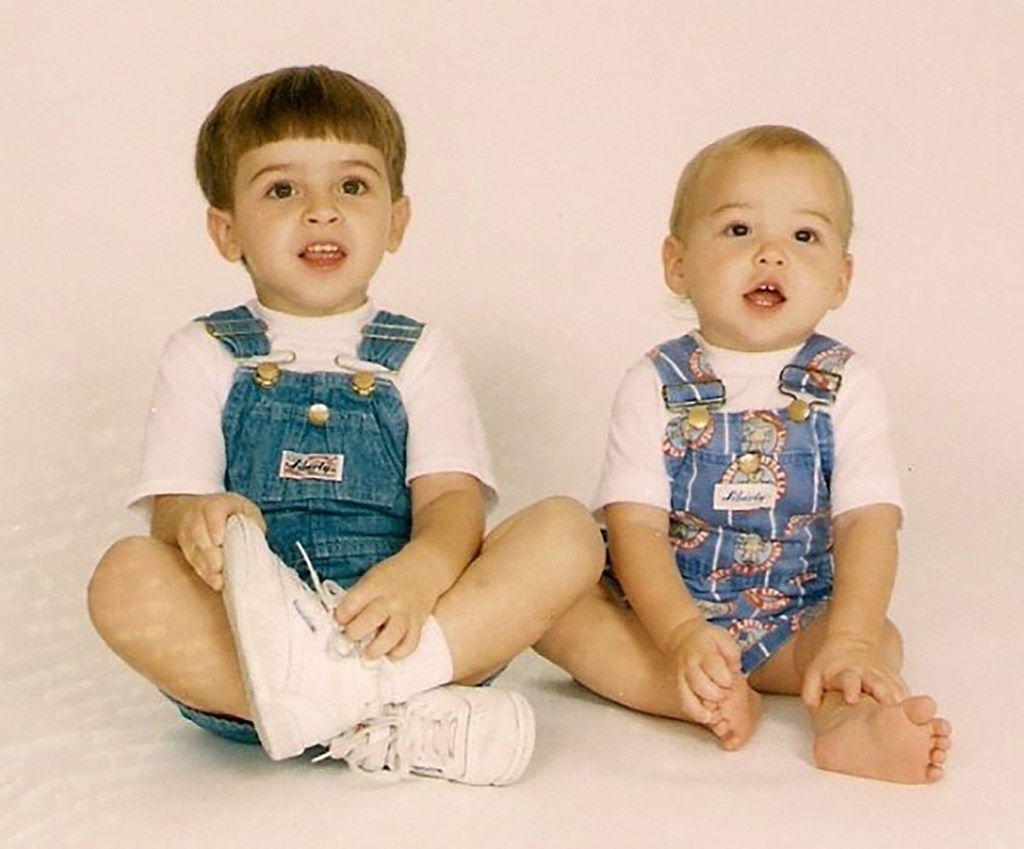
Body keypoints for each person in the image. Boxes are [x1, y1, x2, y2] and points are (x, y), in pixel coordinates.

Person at [87, 65, 603, 785]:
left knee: (567, 530)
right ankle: (389, 719)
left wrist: (421, 573)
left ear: (396, 219)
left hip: (407, 627)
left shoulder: (417, 352)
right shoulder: (203, 353)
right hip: (249, 654)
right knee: (122, 576)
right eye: (282, 189)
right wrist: (199, 520)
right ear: (225, 229)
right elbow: (171, 510)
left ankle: (347, 707)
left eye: (352, 186)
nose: (322, 210)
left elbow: (452, 503)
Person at [534, 125, 952, 784]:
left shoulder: (848, 383)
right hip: (662, 610)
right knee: (557, 618)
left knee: (879, 637)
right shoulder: (654, 381)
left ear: (841, 277)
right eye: (737, 231)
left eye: (804, 237)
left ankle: (844, 724)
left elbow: (867, 521)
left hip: (795, 617)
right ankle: (688, 688)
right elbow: (635, 525)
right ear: (678, 263)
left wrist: (848, 640)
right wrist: (677, 633)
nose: (771, 255)